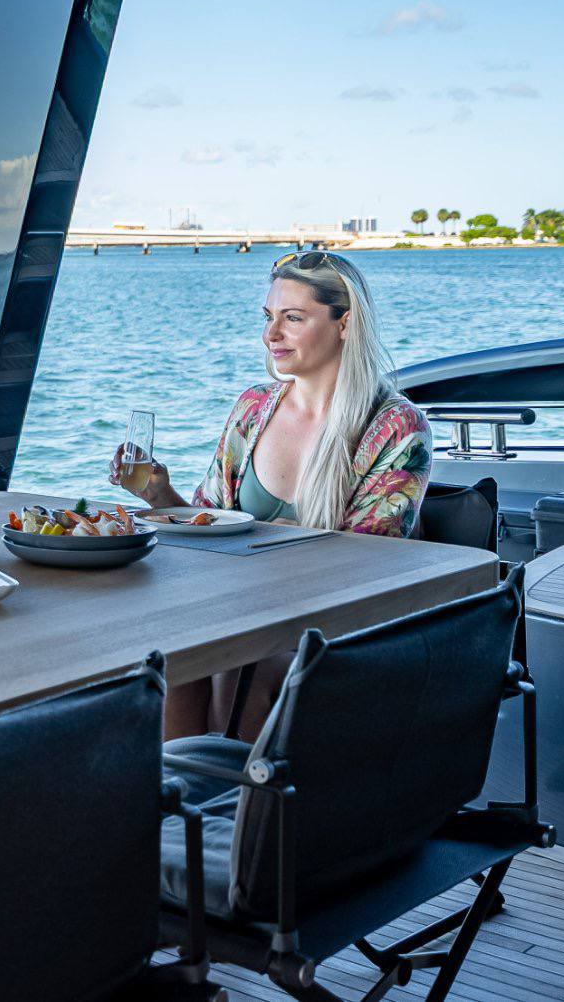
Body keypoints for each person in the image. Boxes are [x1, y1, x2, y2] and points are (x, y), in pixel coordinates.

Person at [112, 249, 431, 738]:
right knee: (169, 648)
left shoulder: (396, 427)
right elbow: (209, 521)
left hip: (337, 622)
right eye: (268, 317)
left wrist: (279, 542)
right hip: (243, 604)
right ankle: (182, 799)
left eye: (293, 318)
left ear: (344, 323)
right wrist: (161, 495)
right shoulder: (253, 408)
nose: (271, 334)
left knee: (241, 664)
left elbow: (374, 557)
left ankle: (237, 803)